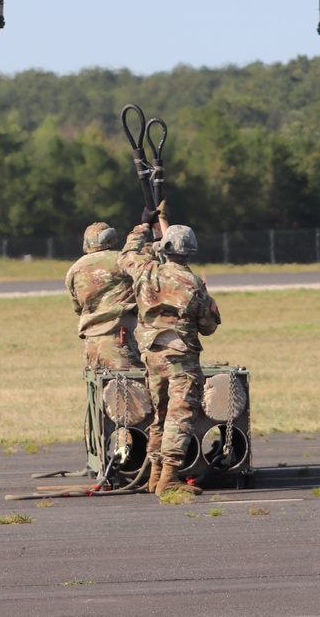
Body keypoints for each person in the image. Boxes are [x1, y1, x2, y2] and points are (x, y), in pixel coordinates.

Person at [118, 210, 221, 497]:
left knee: (159, 415)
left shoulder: (146, 270)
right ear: (191, 251)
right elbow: (208, 327)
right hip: (181, 360)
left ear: (165, 248)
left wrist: (142, 226)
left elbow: (126, 255)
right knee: (180, 415)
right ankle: (170, 477)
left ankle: (155, 475)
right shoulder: (193, 284)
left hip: (151, 354)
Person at [65, 222, 140, 371]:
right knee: (130, 390)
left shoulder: (74, 269)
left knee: (100, 388)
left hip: (92, 343)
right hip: (119, 339)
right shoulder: (120, 259)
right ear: (110, 238)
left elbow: (78, 308)